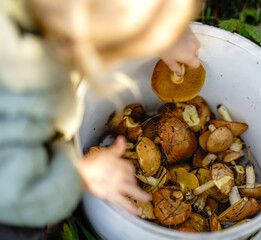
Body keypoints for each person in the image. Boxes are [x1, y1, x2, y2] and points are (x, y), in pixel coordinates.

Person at [0, 0, 201, 238]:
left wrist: (165, 33)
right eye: (126, 49)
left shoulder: (55, 18)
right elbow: (11, 194)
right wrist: (80, 178)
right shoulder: (23, 101)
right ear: (79, 46)